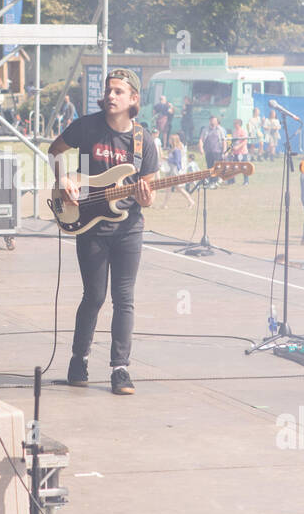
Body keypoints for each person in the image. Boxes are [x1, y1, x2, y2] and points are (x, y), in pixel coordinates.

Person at [49, 68, 157, 396]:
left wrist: (146, 196)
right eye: (109, 90)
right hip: (89, 223)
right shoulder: (88, 126)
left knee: (124, 299)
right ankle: (78, 360)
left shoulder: (143, 141)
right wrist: (63, 178)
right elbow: (55, 151)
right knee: (94, 296)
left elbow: (148, 193)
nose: (111, 95)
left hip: (128, 228)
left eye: (119, 91)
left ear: (133, 99)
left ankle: (120, 369)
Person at [162, 134, 196, 208]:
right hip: (170, 170)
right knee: (168, 187)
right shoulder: (172, 149)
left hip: (174, 171)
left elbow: (177, 161)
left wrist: (167, 159)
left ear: (173, 141)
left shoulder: (177, 150)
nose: (169, 140)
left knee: (178, 188)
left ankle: (191, 201)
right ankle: (164, 204)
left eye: (170, 139)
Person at [230, 119, 251, 185]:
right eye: (234, 123)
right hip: (235, 153)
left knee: (244, 167)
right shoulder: (234, 132)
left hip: (242, 152)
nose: (234, 125)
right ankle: (232, 180)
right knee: (233, 167)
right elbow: (233, 141)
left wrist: (238, 147)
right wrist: (232, 149)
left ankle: (246, 181)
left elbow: (245, 141)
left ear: (239, 124)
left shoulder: (243, 131)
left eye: (235, 123)